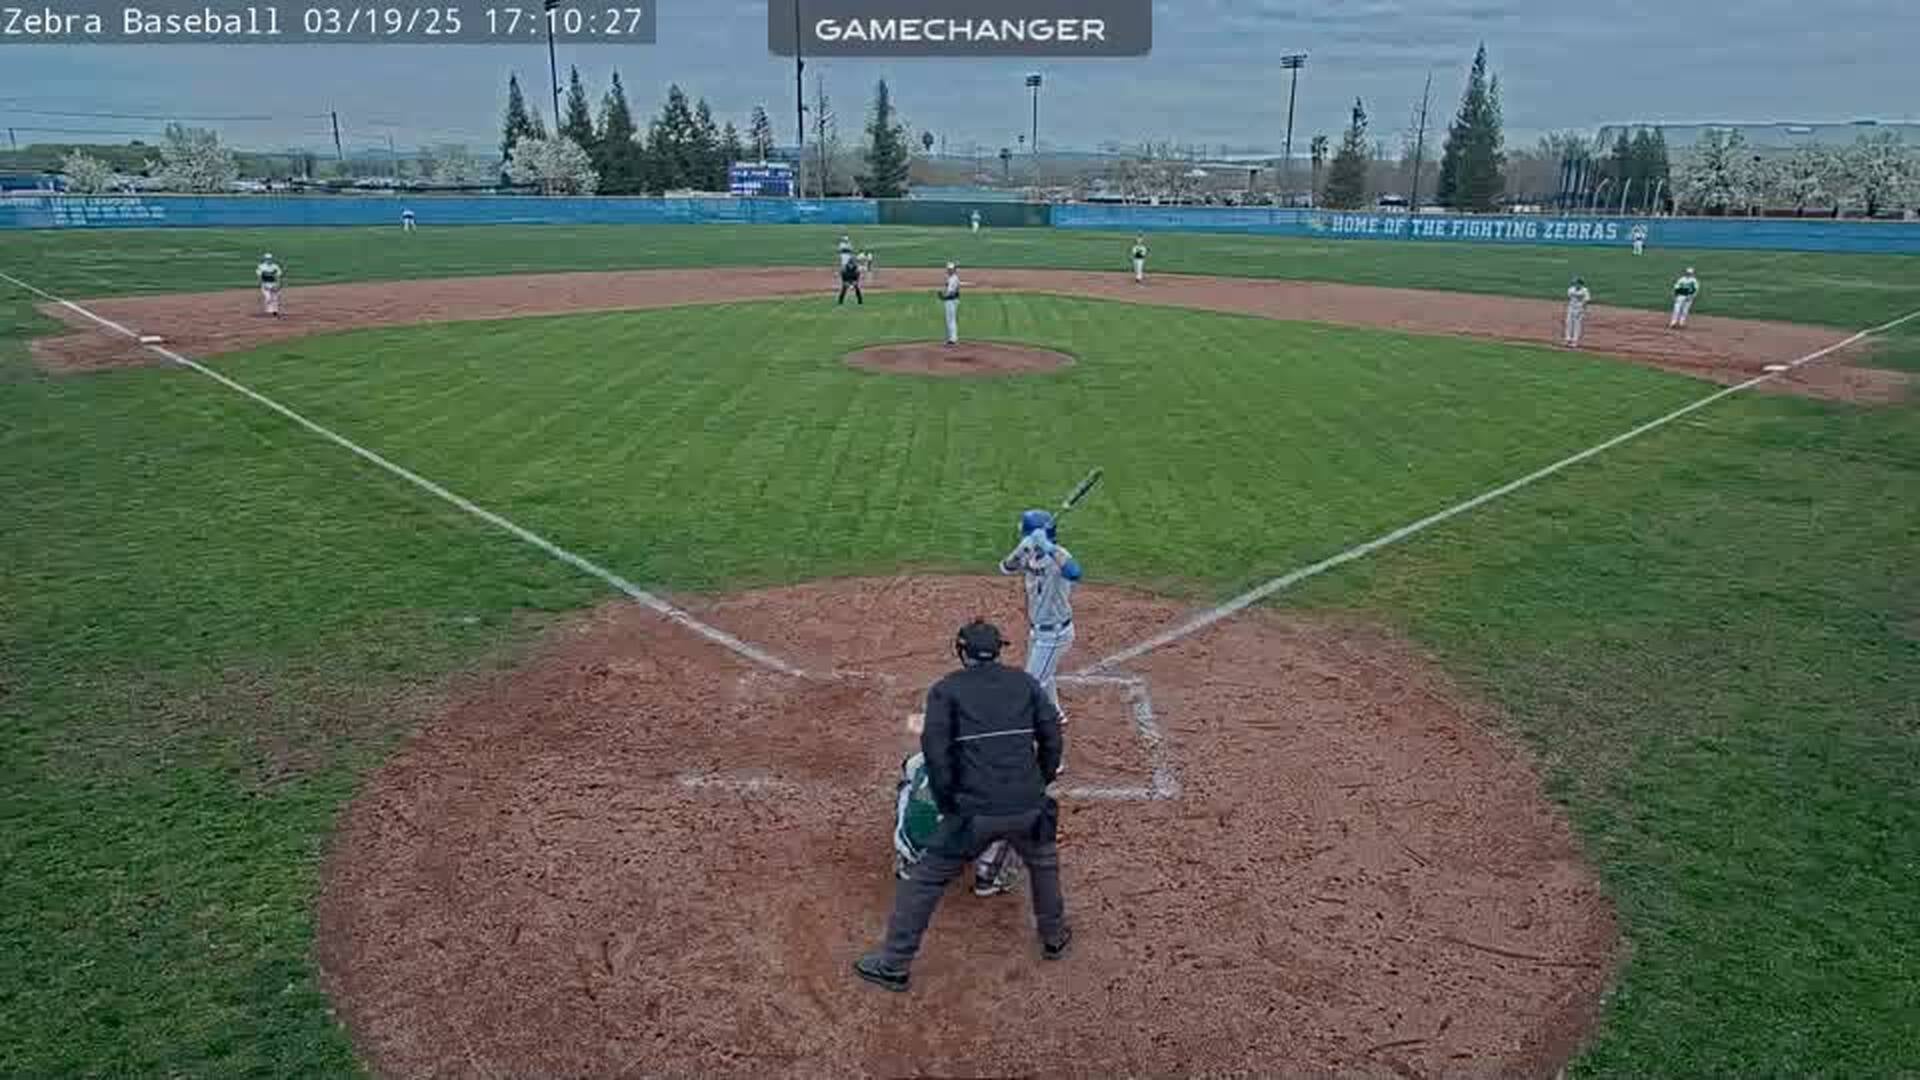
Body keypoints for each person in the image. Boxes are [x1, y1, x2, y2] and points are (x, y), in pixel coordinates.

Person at [855, 620, 1070, 993]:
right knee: (1044, 864)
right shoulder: (1025, 683)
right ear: (999, 650)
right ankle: (1054, 938)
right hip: (1029, 804)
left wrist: (949, 802)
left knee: (924, 881)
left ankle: (894, 965)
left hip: (973, 812)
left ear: (961, 651)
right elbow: (1052, 735)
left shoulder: (946, 691)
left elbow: (936, 755)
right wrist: (1041, 780)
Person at [892, 711, 1022, 896]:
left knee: (907, 786)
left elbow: (908, 768)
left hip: (913, 846)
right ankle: (990, 877)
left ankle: (908, 862)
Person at [999, 509, 1083, 722]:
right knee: (1045, 675)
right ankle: (1054, 713)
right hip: (1038, 630)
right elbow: (1006, 568)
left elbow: (1075, 572)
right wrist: (1019, 552)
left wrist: (1048, 547)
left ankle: (1023, 732)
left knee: (1030, 685)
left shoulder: (1059, 556)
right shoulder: (1030, 551)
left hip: (1055, 633)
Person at [1565, 276, 1591, 347]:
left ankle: (1575, 341)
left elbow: (1586, 301)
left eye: (1577, 283)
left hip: (1579, 309)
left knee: (1577, 326)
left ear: (1580, 284)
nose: (1576, 284)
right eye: (1575, 283)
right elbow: (1570, 298)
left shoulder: (1585, 290)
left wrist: (1583, 310)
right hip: (1571, 308)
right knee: (1568, 323)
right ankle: (1568, 340)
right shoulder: (1571, 289)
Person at [256, 252, 283, 317]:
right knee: (268, 297)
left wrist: (278, 284)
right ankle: (269, 309)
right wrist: (262, 284)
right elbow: (259, 276)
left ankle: (275, 311)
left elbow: (278, 276)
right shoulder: (261, 266)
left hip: (273, 283)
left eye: (270, 259)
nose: (269, 260)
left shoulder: (275, 266)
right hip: (265, 284)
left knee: (275, 298)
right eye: (267, 259)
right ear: (265, 259)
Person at [940, 262, 961, 345]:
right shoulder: (950, 278)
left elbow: (951, 292)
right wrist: (944, 294)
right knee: (949, 319)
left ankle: (953, 338)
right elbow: (947, 287)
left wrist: (943, 297)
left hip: (951, 301)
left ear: (954, 270)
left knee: (951, 319)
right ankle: (950, 338)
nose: (949, 270)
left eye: (951, 269)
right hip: (950, 300)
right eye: (948, 269)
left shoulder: (953, 279)